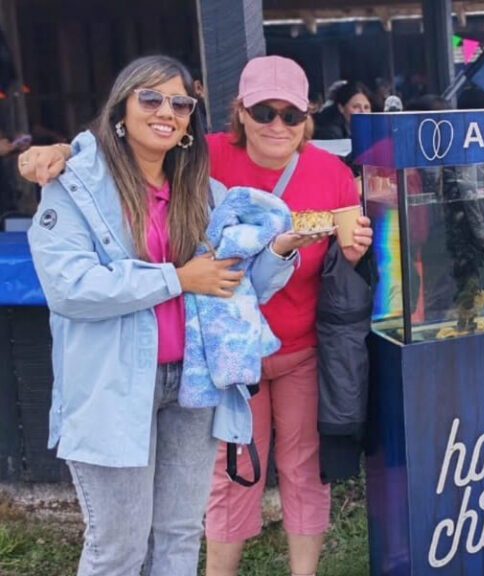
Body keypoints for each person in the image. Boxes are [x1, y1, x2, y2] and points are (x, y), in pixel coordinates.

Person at [19, 55, 374, 576]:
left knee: (179, 538)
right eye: (152, 98)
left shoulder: (200, 190)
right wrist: (178, 278)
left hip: (197, 381)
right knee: (119, 548)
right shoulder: (86, 182)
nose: (167, 112)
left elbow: (233, 283)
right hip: (117, 385)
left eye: (181, 103)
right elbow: (72, 287)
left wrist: (280, 249)